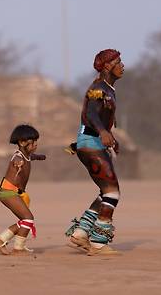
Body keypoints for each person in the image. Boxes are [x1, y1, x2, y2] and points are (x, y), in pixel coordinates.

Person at [65, 49, 124, 256]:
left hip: (93, 142)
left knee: (105, 192)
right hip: (90, 142)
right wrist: (102, 132)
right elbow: (91, 113)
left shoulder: (107, 88)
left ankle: (81, 233)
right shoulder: (98, 88)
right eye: (118, 62)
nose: (122, 65)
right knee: (112, 192)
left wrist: (110, 138)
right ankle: (99, 242)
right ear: (108, 66)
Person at [0, 124, 46, 255]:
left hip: (15, 193)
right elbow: (17, 158)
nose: (36, 144)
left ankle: (0, 239)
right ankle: (18, 248)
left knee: (24, 220)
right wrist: (17, 162)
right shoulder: (18, 155)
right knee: (28, 218)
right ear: (21, 142)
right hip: (8, 193)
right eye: (33, 142)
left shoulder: (27, 155)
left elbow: (31, 157)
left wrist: (39, 156)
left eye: (37, 141)